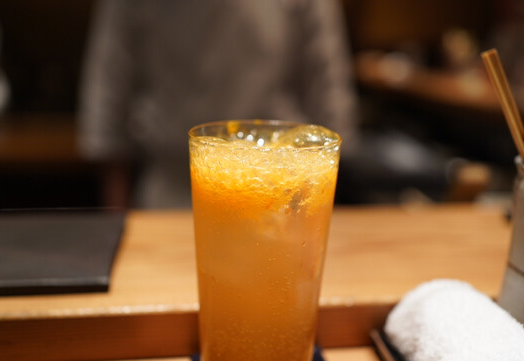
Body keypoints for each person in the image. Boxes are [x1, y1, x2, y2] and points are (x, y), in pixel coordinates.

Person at [79, 0, 358, 208]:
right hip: (170, 195)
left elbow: (330, 92)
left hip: (283, 192)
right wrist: (115, 218)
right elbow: (108, 92)